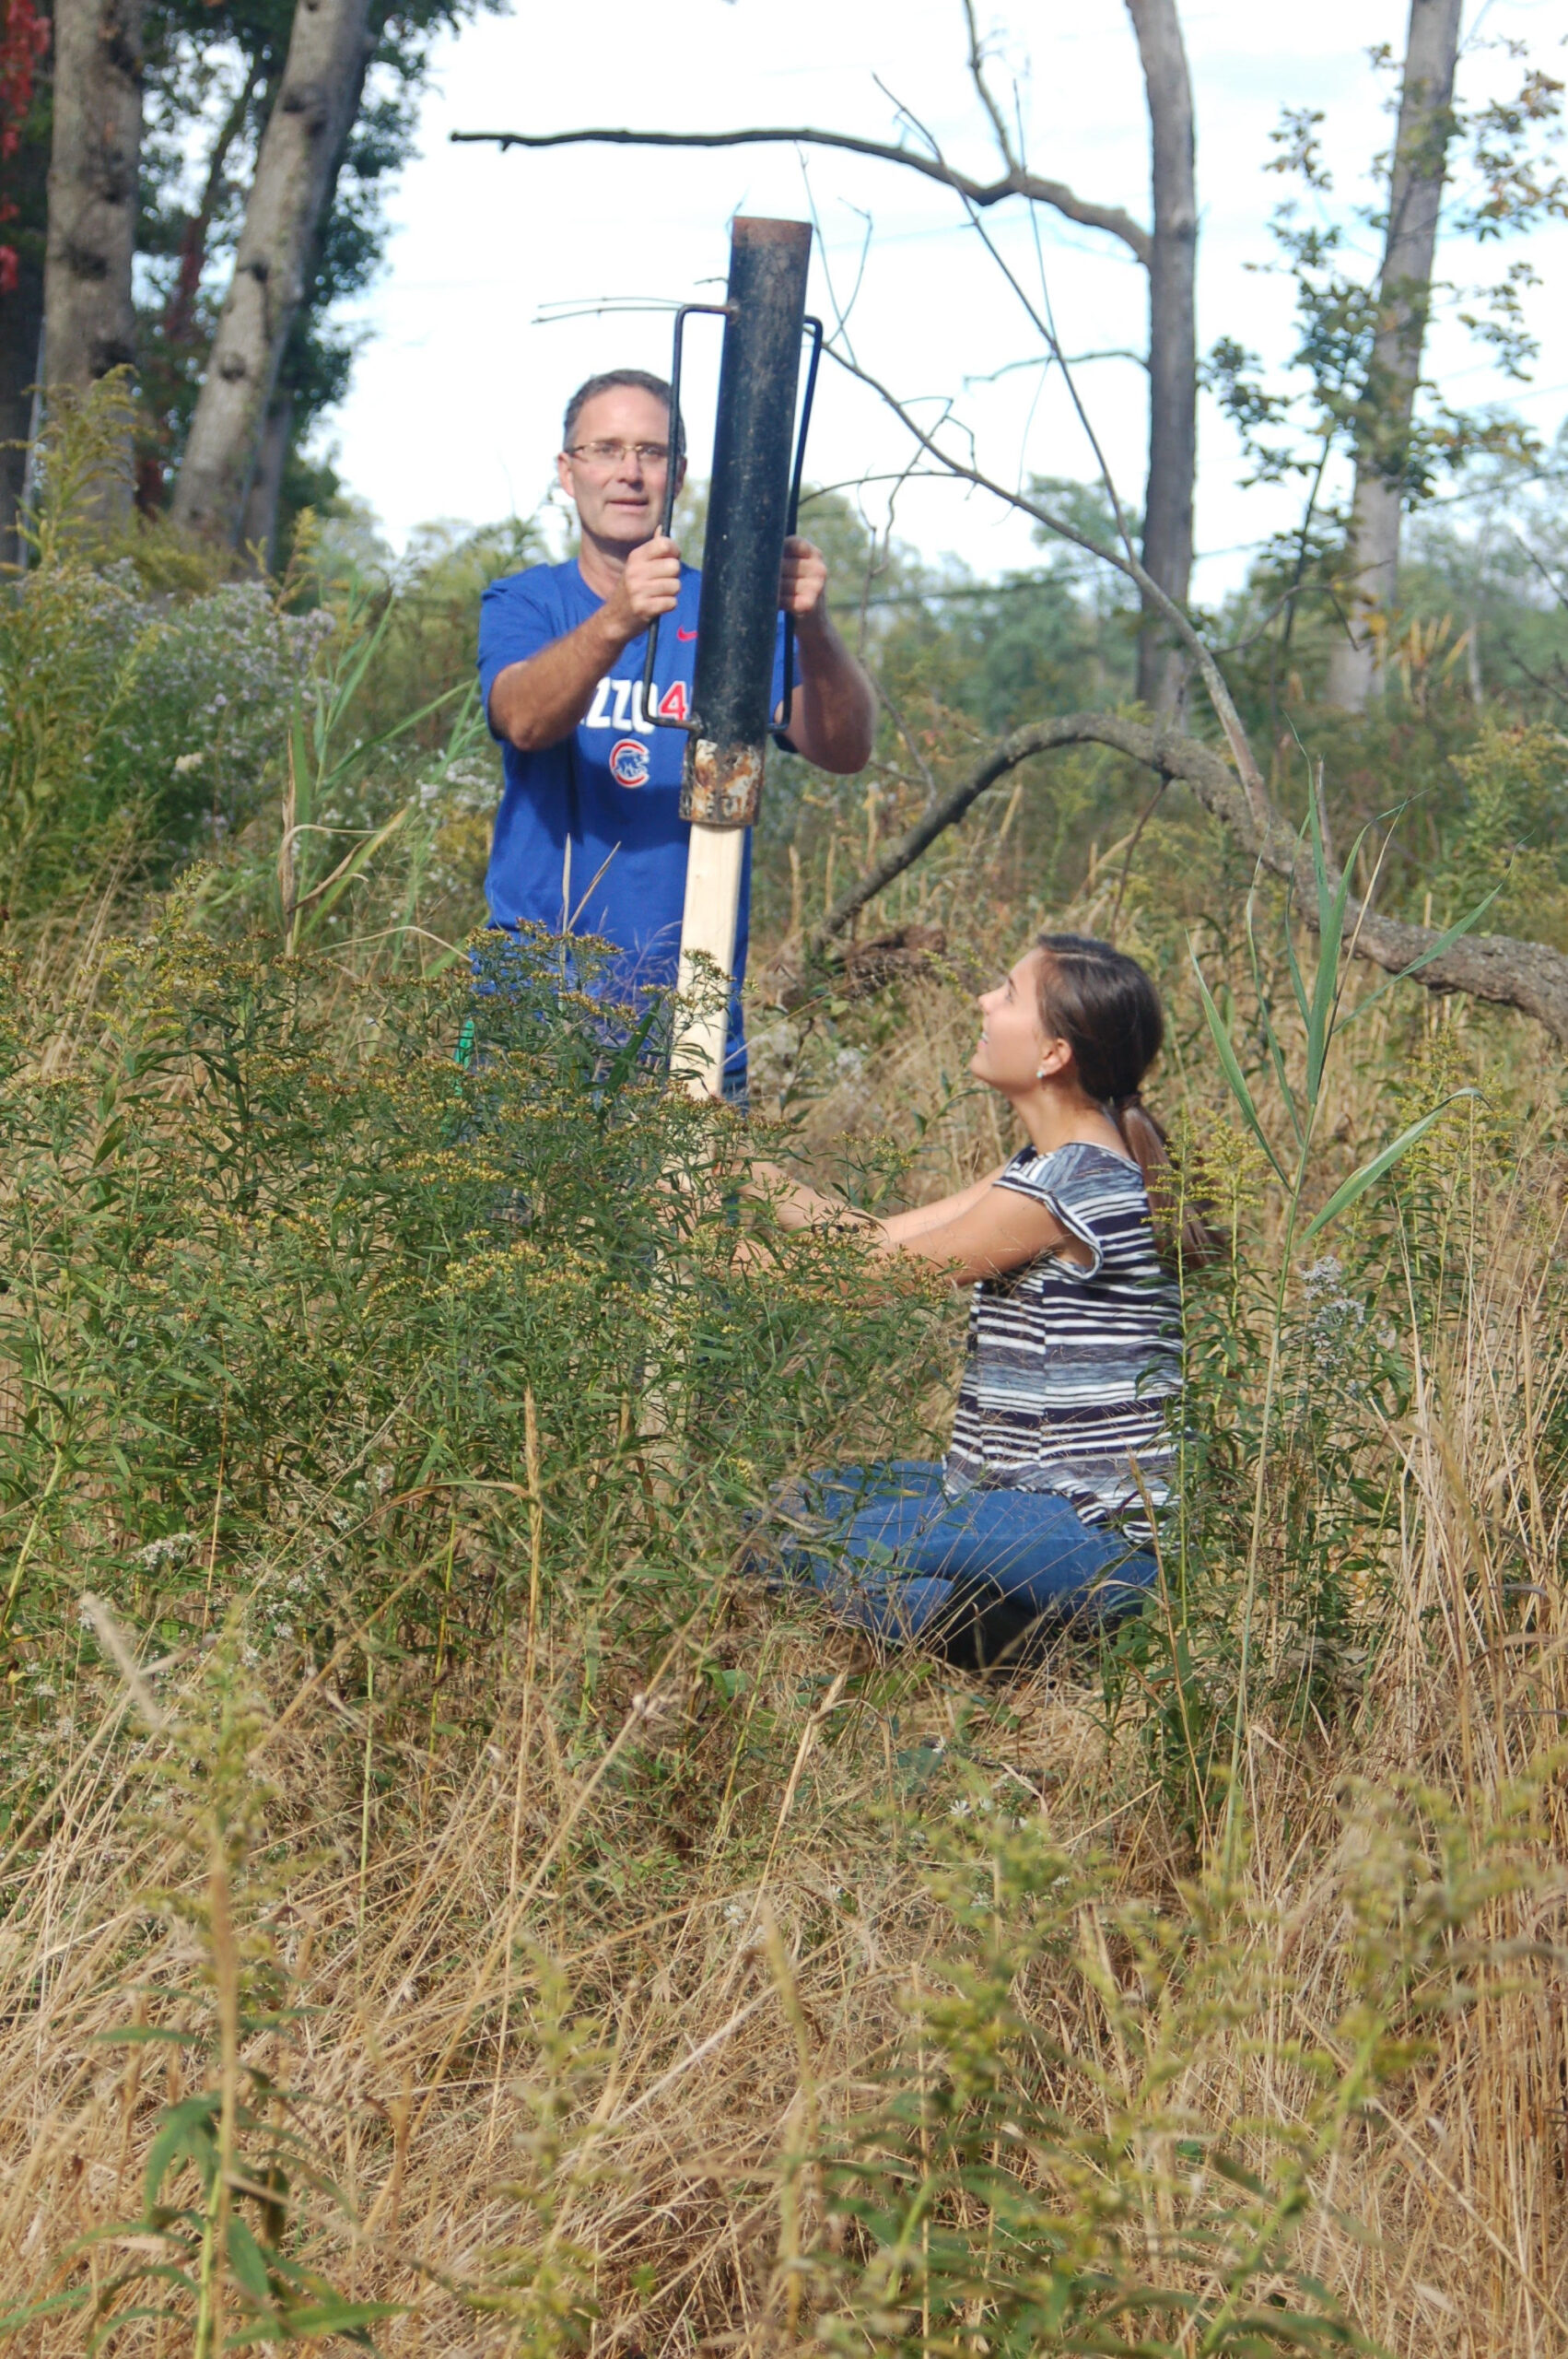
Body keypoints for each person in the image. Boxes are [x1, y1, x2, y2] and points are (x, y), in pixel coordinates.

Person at [747, 933, 1203, 1669]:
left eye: (1009, 994)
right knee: (789, 1506)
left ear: (1053, 1054)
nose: (984, 1001)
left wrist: (703, 1251)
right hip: (1016, 1499)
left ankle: (1046, 1638)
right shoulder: (1042, 1168)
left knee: (810, 1543)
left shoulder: (1069, 1188)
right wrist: (742, 1168)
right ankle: (1009, 1617)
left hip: (1093, 1534)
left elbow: (869, 1278)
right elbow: (870, 1239)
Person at [478, 369, 875, 1099]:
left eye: (652, 453)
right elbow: (524, 720)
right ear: (567, 471)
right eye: (605, 449)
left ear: (681, 475)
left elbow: (845, 751)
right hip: (531, 1001)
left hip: (691, 1010)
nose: (629, 473)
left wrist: (812, 625)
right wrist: (619, 620)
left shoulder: (734, 611)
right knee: (501, 1179)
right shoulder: (525, 602)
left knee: (695, 1180)